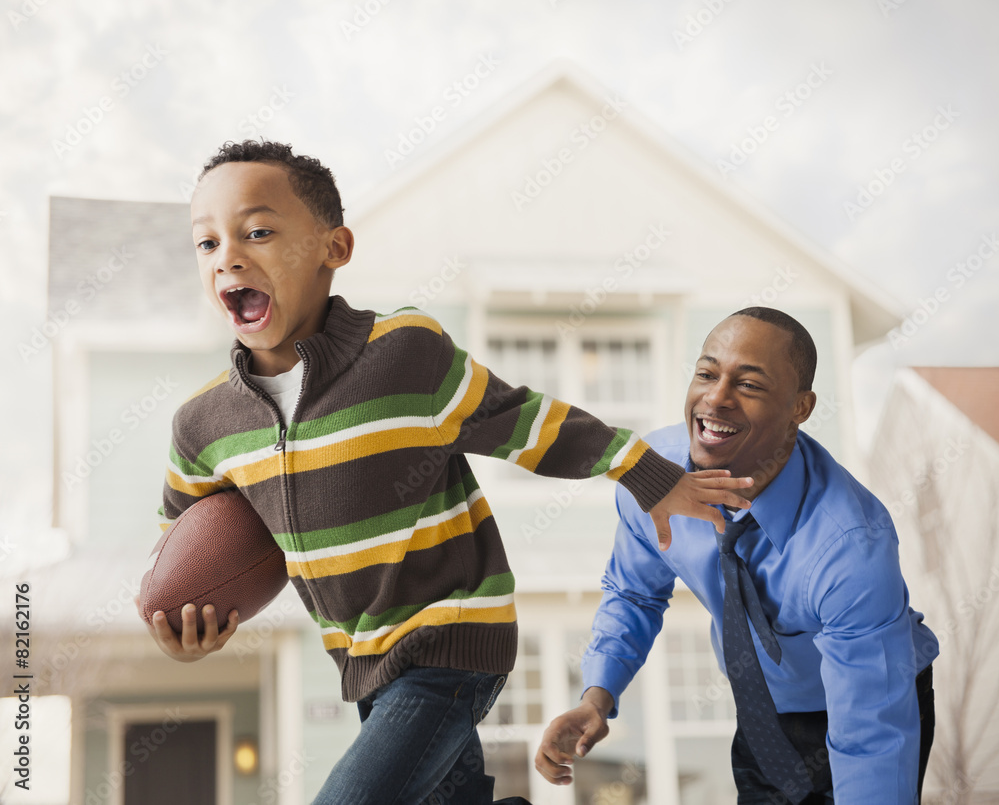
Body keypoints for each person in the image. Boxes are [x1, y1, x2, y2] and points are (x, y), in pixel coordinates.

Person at [139, 139, 754, 805]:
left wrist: (648, 472)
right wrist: (179, 630)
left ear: (333, 248)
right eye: (207, 243)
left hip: (452, 641)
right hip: (361, 661)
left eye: (258, 230)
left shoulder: (404, 355)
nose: (228, 254)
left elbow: (527, 422)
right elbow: (183, 547)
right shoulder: (203, 426)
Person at [535, 308, 938, 803]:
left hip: (868, 698)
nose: (716, 397)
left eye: (748, 385)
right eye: (706, 374)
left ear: (800, 407)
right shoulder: (651, 480)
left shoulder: (849, 545)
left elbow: (870, 735)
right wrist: (598, 696)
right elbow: (634, 594)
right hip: (761, 710)